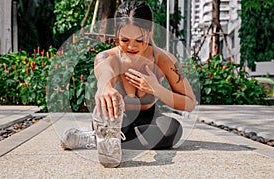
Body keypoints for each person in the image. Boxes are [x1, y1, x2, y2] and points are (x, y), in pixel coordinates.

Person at [61, 0, 196, 168]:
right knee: (116, 122)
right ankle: (107, 134)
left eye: (139, 40)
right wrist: (105, 87)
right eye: (124, 39)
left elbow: (190, 103)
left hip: (149, 117)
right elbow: (105, 73)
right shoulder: (107, 57)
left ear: (150, 30)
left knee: (172, 130)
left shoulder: (164, 60)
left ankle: (97, 138)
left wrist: (157, 89)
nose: (131, 46)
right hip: (116, 117)